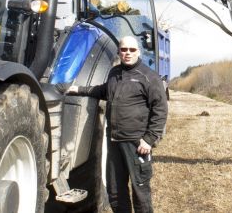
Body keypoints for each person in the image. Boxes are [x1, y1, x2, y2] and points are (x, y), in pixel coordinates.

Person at [67, 35, 167, 213]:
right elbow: (103, 90)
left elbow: (160, 110)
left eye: (132, 50)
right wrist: (78, 89)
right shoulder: (114, 73)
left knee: (140, 192)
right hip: (114, 142)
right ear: (119, 51)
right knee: (115, 192)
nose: (128, 53)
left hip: (136, 144)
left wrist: (149, 139)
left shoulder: (149, 77)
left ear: (138, 52)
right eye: (124, 49)